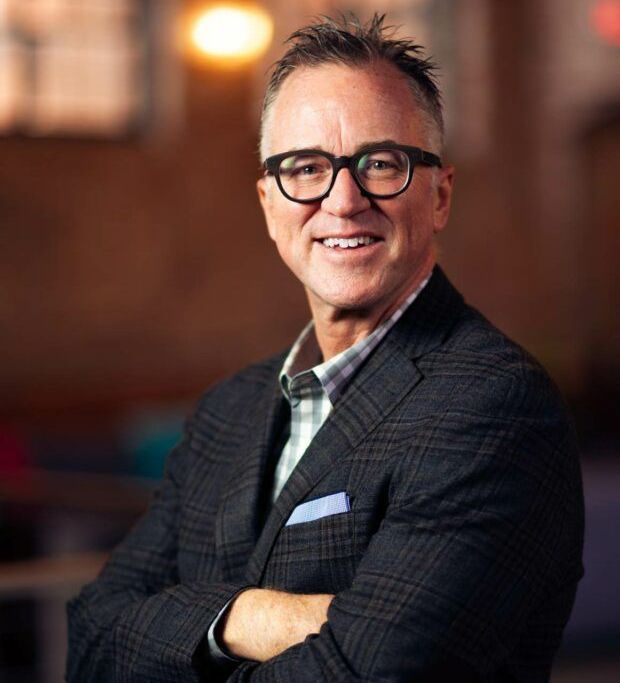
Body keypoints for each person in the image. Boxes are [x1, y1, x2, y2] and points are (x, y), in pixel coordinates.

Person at [66, 14, 583, 683]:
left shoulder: (492, 404)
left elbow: (373, 674)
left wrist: (174, 632)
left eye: (379, 163)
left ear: (439, 194)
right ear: (267, 202)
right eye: (305, 167)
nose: (342, 200)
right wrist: (243, 619)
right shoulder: (227, 411)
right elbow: (90, 635)